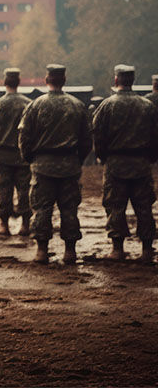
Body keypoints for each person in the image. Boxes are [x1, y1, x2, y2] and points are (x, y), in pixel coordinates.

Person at [18, 64, 92, 264]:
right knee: (69, 209)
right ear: (64, 80)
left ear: (46, 79)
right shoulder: (77, 106)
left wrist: (30, 159)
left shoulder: (35, 106)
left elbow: (24, 137)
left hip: (43, 165)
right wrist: (78, 160)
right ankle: (70, 252)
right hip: (69, 165)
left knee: (42, 209)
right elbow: (87, 140)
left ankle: (42, 251)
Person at [92, 64, 158, 262]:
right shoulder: (147, 106)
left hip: (116, 164)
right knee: (144, 207)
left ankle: (117, 249)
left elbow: (98, 136)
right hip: (141, 163)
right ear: (133, 81)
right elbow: (156, 136)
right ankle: (147, 250)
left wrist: (104, 158)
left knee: (115, 207)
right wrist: (151, 158)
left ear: (115, 80)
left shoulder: (107, 105)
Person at [0, 68, 32, 236]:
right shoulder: (28, 104)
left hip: (2, 155)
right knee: (24, 190)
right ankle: (25, 224)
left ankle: (4, 225)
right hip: (22, 156)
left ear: (4, 82)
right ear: (19, 82)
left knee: (3, 189)